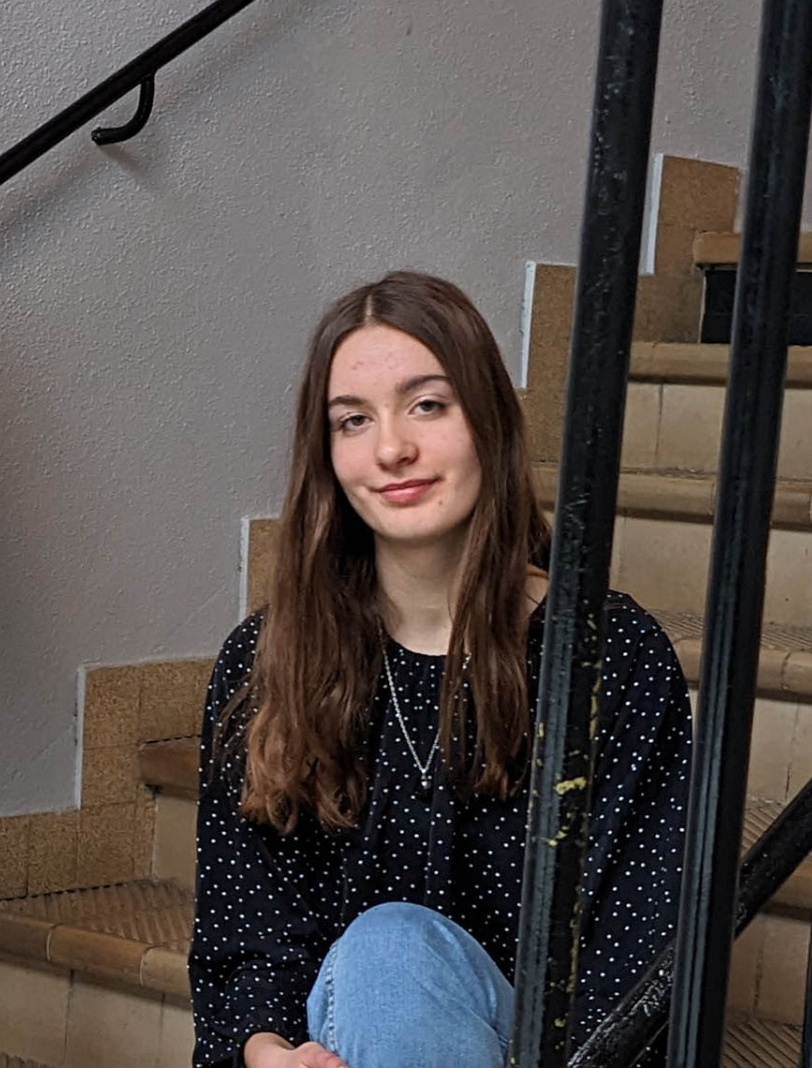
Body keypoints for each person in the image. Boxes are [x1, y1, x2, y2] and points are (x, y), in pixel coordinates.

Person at [188, 272, 690, 1068]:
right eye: (353, 420)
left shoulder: (604, 657)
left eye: (428, 404)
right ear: (328, 455)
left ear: (488, 419)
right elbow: (246, 931)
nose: (392, 448)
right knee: (381, 966)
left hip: (558, 1051)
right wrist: (268, 1053)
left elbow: (639, 960)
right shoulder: (269, 659)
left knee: (391, 954)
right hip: (340, 1040)